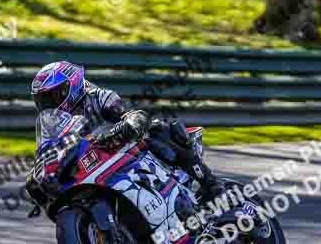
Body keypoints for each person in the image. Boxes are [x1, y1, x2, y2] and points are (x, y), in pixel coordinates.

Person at [28, 60, 224, 202]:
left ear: (71, 87)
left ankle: (211, 183)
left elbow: (131, 115)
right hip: (93, 166)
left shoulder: (98, 97)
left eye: (53, 96)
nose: (49, 104)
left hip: (124, 149)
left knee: (159, 128)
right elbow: (50, 149)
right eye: (43, 100)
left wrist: (129, 123)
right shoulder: (53, 123)